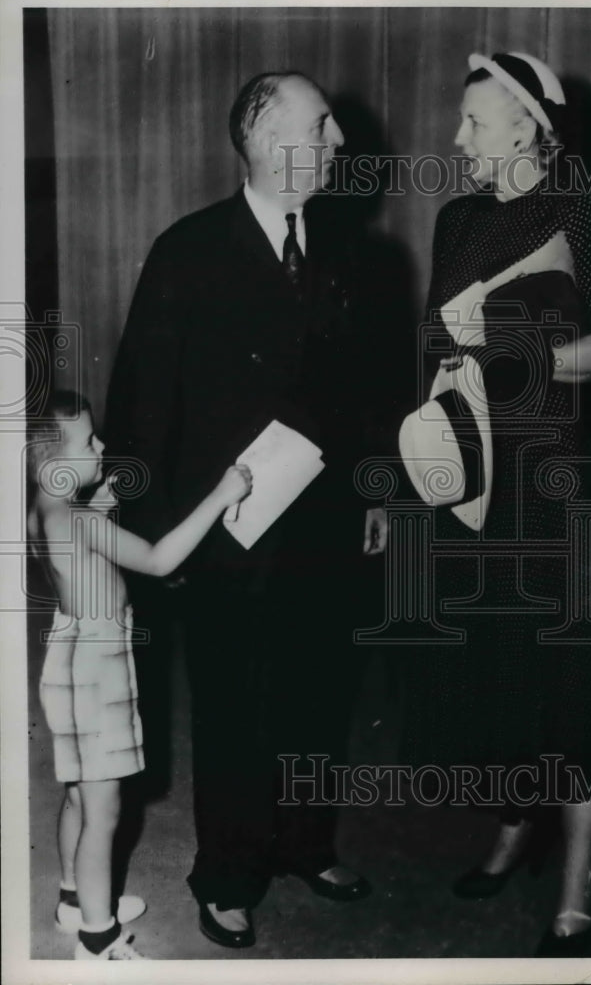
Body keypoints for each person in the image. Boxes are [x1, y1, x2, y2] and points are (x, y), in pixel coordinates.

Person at [104, 72, 388, 949]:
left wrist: (378, 485)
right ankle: (226, 874)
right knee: (234, 711)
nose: (339, 141)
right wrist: (150, 530)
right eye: (322, 125)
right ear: (266, 143)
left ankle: (305, 843)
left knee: (316, 696)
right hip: (227, 530)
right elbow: (144, 400)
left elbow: (369, 387)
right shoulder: (188, 251)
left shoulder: (349, 251)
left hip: (325, 527)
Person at [402, 52, 591, 957]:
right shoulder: (456, 220)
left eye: (477, 124)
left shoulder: (587, 209)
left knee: (568, 680)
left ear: (528, 125)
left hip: (557, 475)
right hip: (474, 473)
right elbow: (432, 351)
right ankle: (512, 821)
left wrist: (537, 362)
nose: (458, 140)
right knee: (496, 666)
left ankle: (579, 875)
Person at [28, 389, 252, 960]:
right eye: (89, 441)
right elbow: (157, 559)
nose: (101, 445)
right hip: (97, 667)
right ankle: (98, 940)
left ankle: (75, 900)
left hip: (70, 656)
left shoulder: (47, 510)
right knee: (104, 811)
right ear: (53, 465)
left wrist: (97, 506)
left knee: (81, 794)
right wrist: (221, 495)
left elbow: (72, 551)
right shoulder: (75, 519)